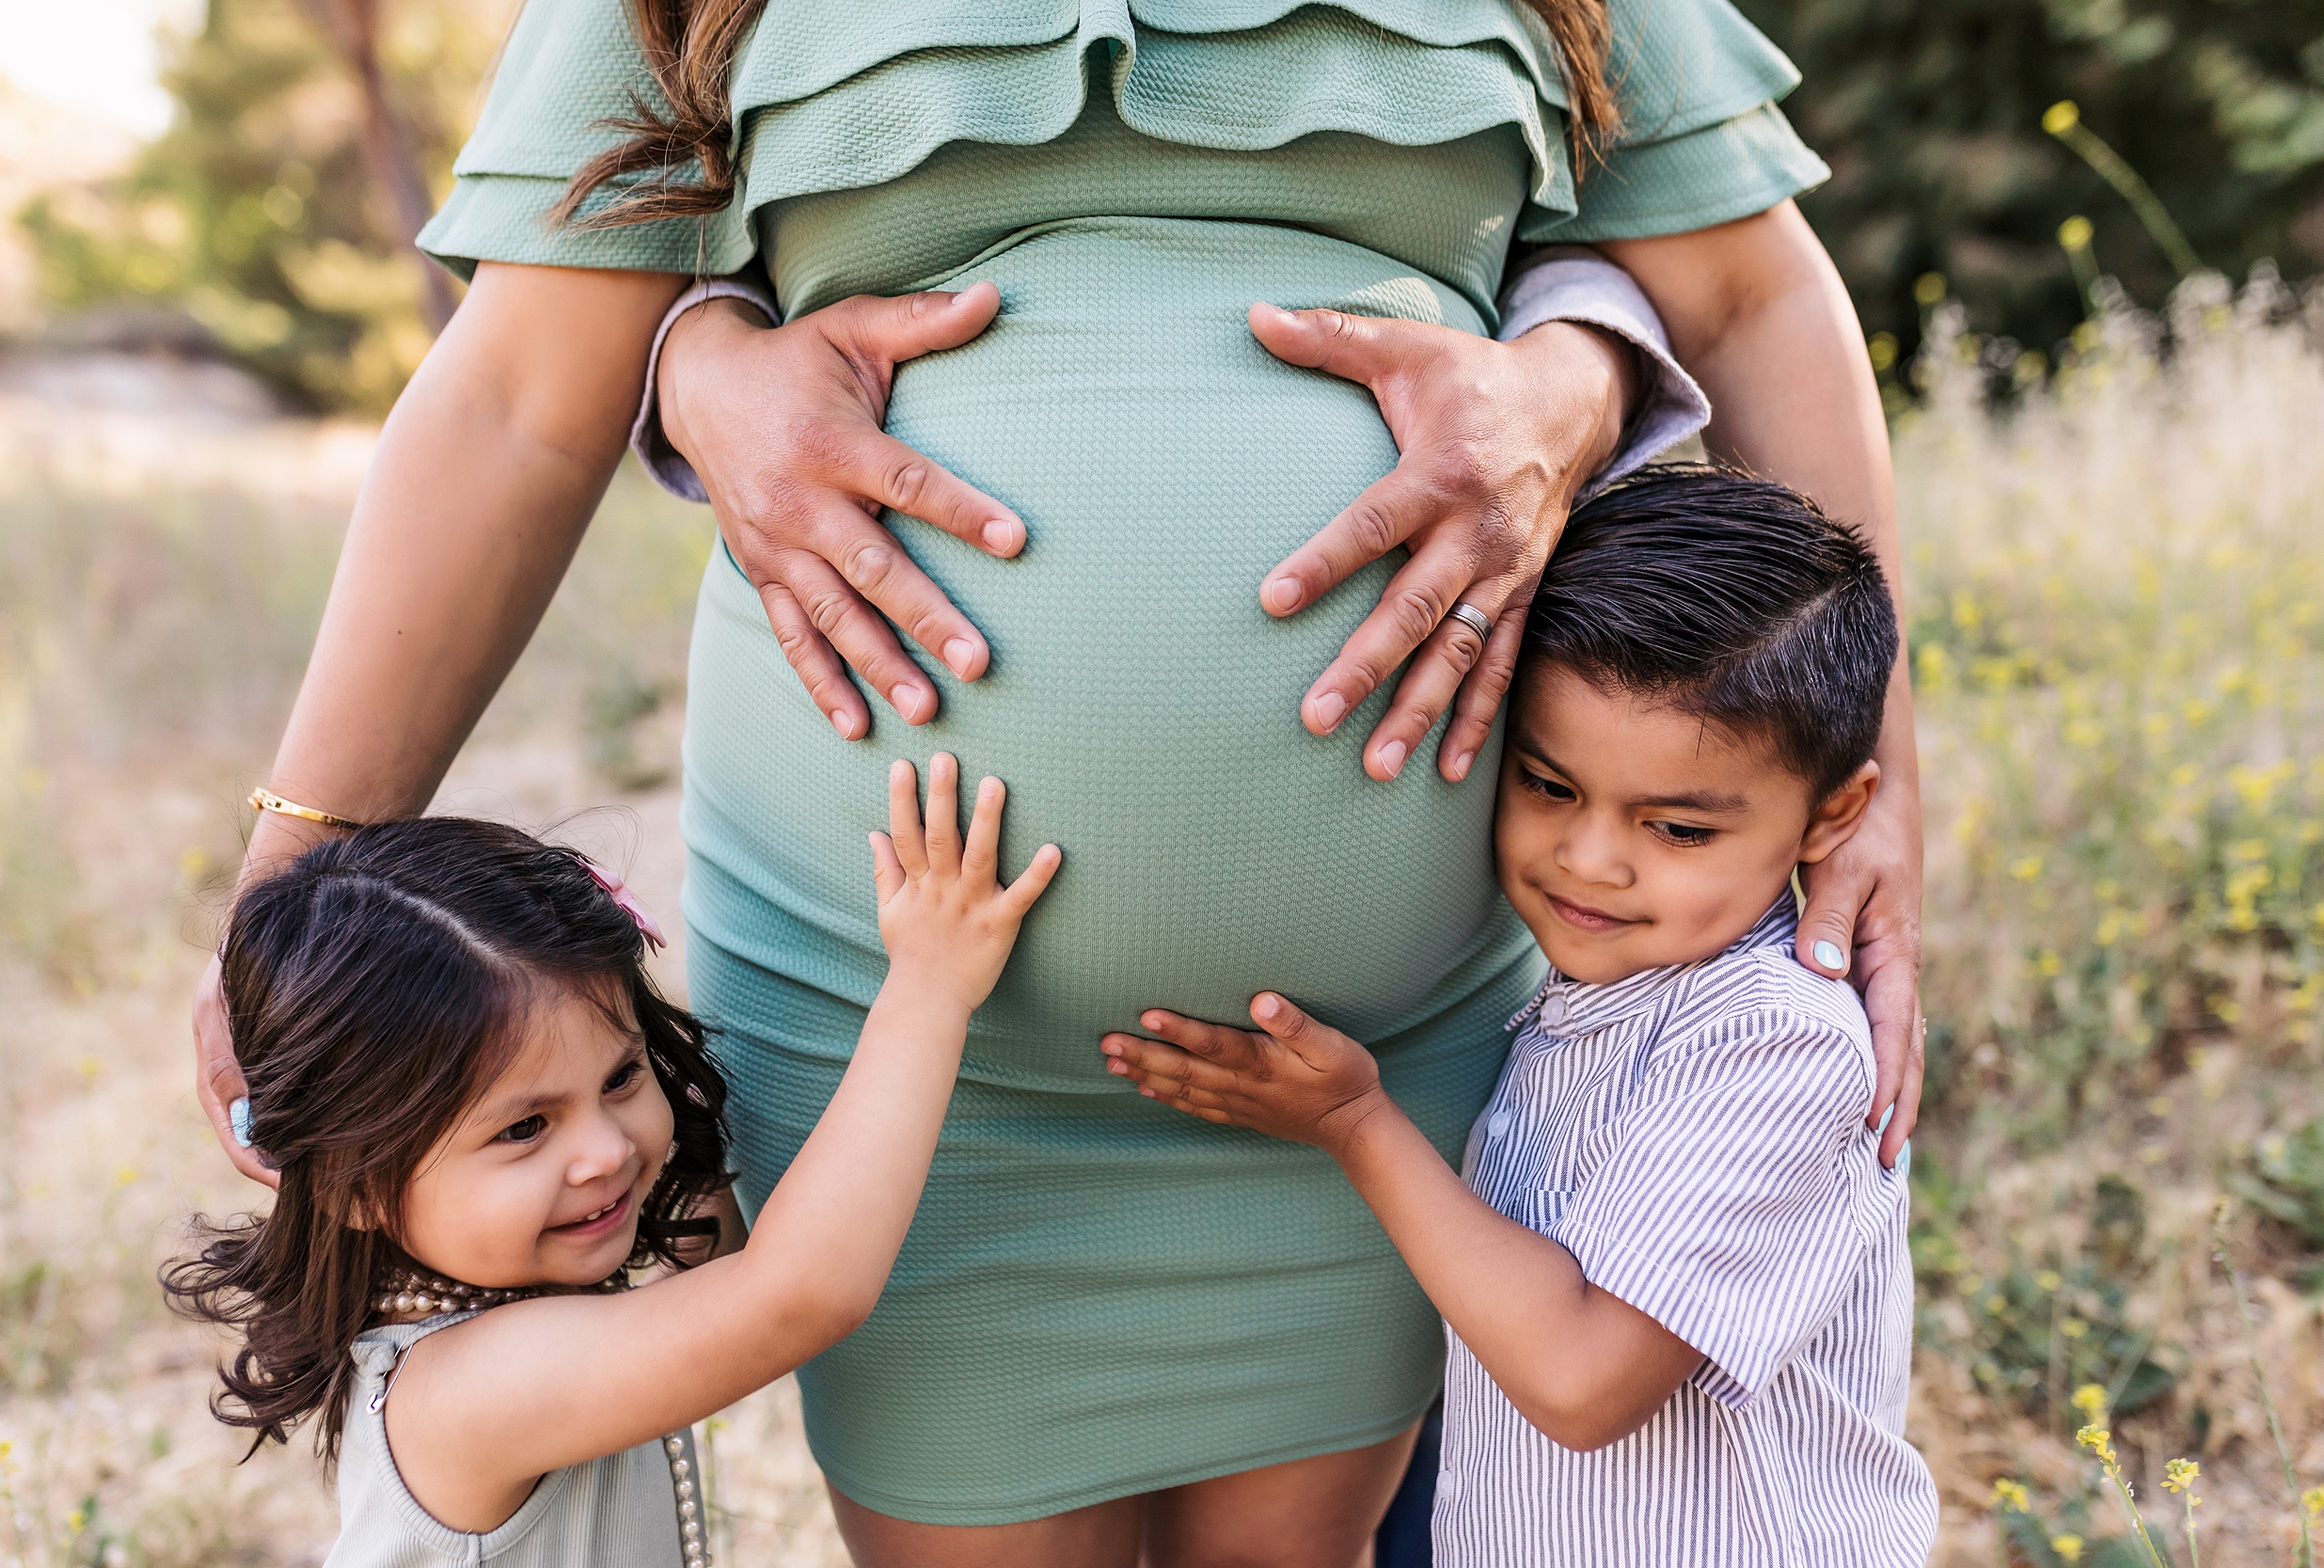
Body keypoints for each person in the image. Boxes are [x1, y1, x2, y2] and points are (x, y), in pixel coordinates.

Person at [192, 0, 1930, 1558]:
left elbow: (1753, 287)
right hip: (895, 1036)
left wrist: (1884, 794)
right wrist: (301, 858)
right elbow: (516, 392)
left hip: (1354, 1065)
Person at [1104, 466, 1941, 1565]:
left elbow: (1581, 1378)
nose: (1589, 860)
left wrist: (1355, 1123)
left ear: (1831, 815)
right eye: (1549, 784)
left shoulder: (1774, 1044)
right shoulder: (1595, 999)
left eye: (1678, 830)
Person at [170, 761, 1058, 1565]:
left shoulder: (524, 1288)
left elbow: (743, 1224)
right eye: (524, 1129)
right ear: (356, 1186)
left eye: (623, 1074)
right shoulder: (463, 1393)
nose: (605, 1150)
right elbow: (798, 1290)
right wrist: (930, 987)